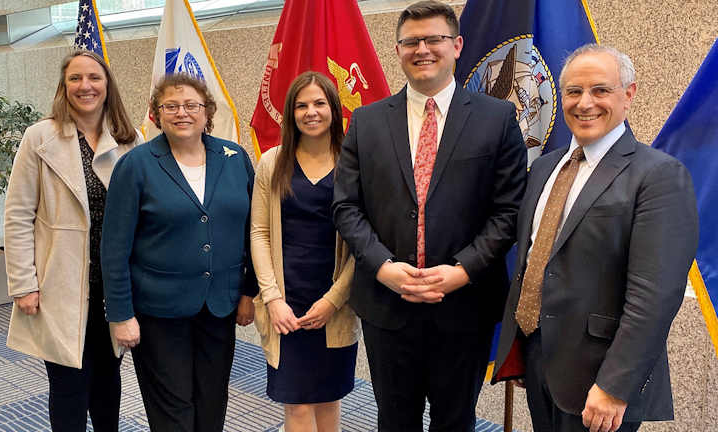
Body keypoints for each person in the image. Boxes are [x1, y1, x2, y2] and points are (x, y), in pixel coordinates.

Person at [331, 1, 527, 430]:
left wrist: (462, 270)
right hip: (387, 303)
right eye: (411, 41)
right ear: (398, 50)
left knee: (455, 421)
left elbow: (509, 210)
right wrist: (383, 267)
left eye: (434, 39)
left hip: (464, 303)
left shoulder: (497, 118)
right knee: (394, 420)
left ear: (456, 45)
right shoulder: (365, 121)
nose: (423, 49)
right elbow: (346, 206)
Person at [492, 44, 699, 432]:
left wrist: (614, 386)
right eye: (573, 91)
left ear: (629, 94)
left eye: (600, 90)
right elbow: (535, 260)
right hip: (540, 361)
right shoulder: (544, 168)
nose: (585, 103)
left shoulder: (658, 176)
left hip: (601, 379)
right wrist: (523, 348)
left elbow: (655, 296)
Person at [100, 73, 257, 432]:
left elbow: (253, 231)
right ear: (156, 114)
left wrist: (250, 292)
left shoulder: (234, 159)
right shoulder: (136, 165)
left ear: (206, 112)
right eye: (170, 105)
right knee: (173, 412)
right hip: (158, 312)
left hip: (220, 305)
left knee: (212, 403)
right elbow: (114, 248)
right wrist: (121, 314)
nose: (181, 112)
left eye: (191, 105)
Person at [5, 50, 144, 432]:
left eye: (94, 78)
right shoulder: (40, 137)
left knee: (107, 376)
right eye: (75, 79)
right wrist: (23, 284)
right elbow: (17, 214)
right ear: (64, 86)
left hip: (113, 284)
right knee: (68, 380)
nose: (86, 86)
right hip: (60, 283)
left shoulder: (130, 140)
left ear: (107, 85)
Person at [251, 71, 361, 432]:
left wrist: (334, 299)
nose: (310, 112)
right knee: (296, 405)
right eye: (301, 105)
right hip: (286, 302)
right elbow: (260, 233)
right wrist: (272, 298)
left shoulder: (355, 163)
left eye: (319, 103)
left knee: (329, 399)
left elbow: (365, 242)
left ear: (334, 108)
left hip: (335, 303)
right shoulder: (272, 162)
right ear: (290, 112)